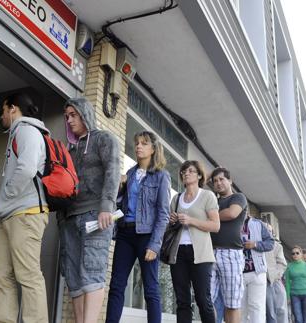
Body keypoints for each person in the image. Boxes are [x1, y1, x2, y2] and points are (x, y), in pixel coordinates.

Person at [0, 93, 50, 323]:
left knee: (28, 276)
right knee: (0, 274)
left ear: (13, 109)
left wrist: (6, 195)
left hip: (26, 213)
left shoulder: (27, 131)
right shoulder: (19, 132)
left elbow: (26, 169)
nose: (1, 115)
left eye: (4, 110)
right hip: (12, 214)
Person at [60, 97, 120, 323]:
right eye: (67, 117)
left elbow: (113, 171)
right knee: (74, 278)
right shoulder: (71, 149)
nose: (70, 120)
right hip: (69, 219)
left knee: (92, 273)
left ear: (85, 114)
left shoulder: (103, 139)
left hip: (95, 215)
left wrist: (107, 207)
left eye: (74, 115)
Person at [106, 131, 171, 323]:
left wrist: (155, 244)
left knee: (151, 288)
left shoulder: (161, 176)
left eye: (144, 143)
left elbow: (163, 213)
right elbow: (120, 205)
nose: (138, 147)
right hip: (126, 232)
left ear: (153, 149)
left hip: (147, 235)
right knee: (117, 285)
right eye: (137, 143)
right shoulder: (130, 174)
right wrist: (120, 186)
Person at [165, 160, 220, 323]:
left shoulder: (207, 196)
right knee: (182, 301)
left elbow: (215, 226)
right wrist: (172, 220)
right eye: (183, 172)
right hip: (178, 253)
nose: (186, 174)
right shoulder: (176, 198)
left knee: (203, 300)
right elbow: (171, 226)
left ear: (199, 175)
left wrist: (191, 220)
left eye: (190, 171)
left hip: (201, 254)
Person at [209, 167, 247, 323]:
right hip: (209, 253)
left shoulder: (238, 197)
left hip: (231, 254)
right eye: (215, 181)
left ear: (230, 181)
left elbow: (231, 213)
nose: (218, 183)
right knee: (206, 301)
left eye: (222, 179)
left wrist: (210, 217)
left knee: (232, 304)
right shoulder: (212, 201)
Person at [239, 213, 274, 323]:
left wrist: (255, 244)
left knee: (257, 308)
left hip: (257, 272)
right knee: (240, 309)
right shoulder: (231, 223)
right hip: (238, 273)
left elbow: (270, 243)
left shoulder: (258, 224)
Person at [285, 245, 306, 323]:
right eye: (293, 253)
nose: (295, 255)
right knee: (298, 319)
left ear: (301, 254)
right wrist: (288, 296)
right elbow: (287, 282)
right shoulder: (289, 266)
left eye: (297, 253)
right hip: (294, 295)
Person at [265, 224, 288, 323]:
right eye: (265, 230)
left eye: (270, 231)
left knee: (280, 309)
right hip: (260, 280)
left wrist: (274, 276)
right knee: (267, 311)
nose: (267, 232)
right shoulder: (254, 244)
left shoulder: (277, 246)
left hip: (274, 280)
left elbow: (282, 264)